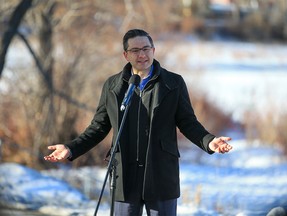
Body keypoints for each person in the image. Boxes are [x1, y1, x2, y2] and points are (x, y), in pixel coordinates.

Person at [44, 29, 233, 216]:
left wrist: (209, 141)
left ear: (153, 50)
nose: (142, 54)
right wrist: (71, 148)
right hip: (125, 176)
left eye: (146, 48)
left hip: (161, 174)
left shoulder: (173, 83)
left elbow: (188, 122)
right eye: (135, 50)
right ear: (126, 55)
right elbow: (98, 127)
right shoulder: (113, 86)